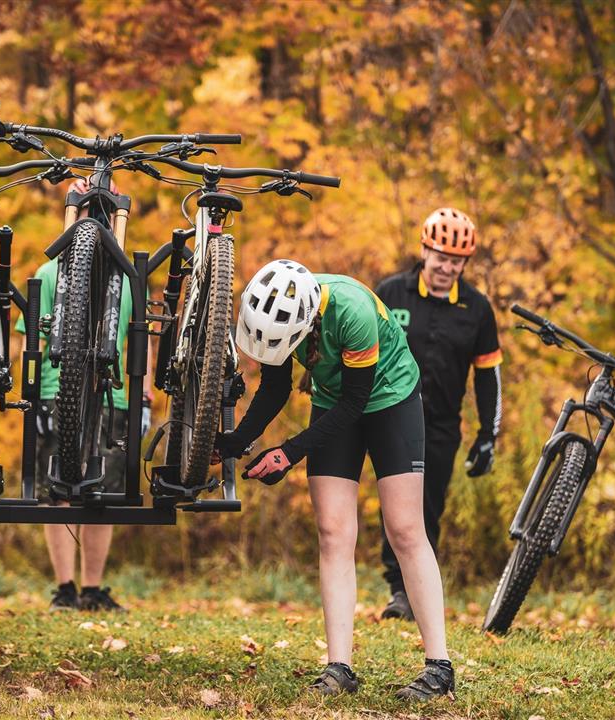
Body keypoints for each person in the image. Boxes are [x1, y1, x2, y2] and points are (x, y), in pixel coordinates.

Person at [215, 260, 454, 701]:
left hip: (389, 399)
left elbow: (355, 402)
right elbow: (275, 387)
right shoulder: (279, 310)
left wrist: (288, 452)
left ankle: (439, 668)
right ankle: (339, 667)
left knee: (404, 529)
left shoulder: (353, 311)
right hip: (332, 401)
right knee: (333, 532)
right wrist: (236, 442)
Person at [15, 180, 151, 613]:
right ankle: (67, 587)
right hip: (61, 395)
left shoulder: (123, 279)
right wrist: (32, 394)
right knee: (61, 495)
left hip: (113, 400)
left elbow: (137, 344)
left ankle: (88, 588)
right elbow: (29, 340)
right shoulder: (54, 274)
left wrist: (143, 398)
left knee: (100, 496)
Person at [374, 207, 502, 621]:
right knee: (393, 506)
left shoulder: (477, 309)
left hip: (441, 426)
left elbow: (488, 377)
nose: (447, 267)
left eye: (456, 260)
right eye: (441, 256)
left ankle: (414, 591)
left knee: (429, 507)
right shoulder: (390, 294)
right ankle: (399, 590)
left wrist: (488, 435)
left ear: (465, 262)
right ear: (425, 251)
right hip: (388, 415)